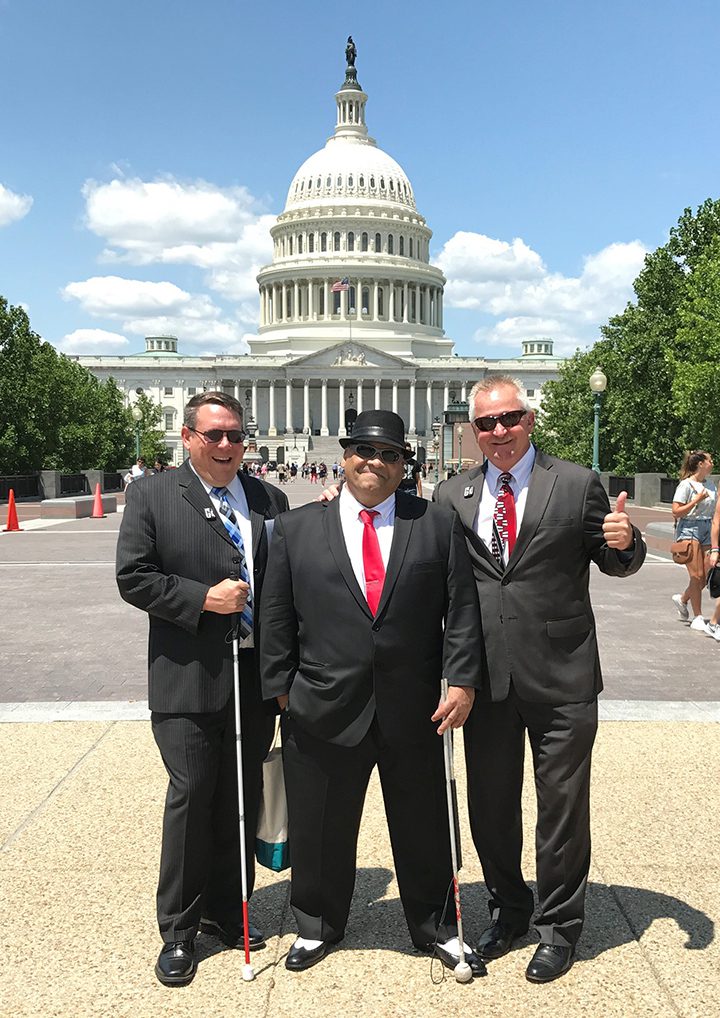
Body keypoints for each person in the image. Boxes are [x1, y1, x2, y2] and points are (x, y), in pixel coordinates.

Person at [433, 375, 646, 984]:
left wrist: (626, 544)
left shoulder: (576, 483)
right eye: (486, 423)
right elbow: (445, 586)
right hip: (486, 679)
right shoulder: (454, 494)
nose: (498, 432)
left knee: (561, 808)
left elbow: (615, 562)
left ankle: (558, 928)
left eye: (509, 419)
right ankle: (509, 908)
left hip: (562, 674)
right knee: (491, 807)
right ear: (473, 430)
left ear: (529, 419)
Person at [260, 410, 486, 975]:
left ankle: (436, 924)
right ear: (345, 455)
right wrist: (282, 688)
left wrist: (460, 680)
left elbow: (460, 610)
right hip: (321, 702)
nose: (374, 462)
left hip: (414, 706)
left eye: (388, 454)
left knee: (425, 823)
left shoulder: (434, 524)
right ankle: (315, 924)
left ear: (403, 463)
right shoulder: (295, 528)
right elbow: (276, 616)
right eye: (364, 450)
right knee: (320, 825)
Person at [116, 391, 289, 987]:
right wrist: (202, 600)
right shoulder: (153, 494)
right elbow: (133, 576)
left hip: (254, 674)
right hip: (187, 673)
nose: (225, 446)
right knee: (191, 797)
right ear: (187, 437)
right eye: (213, 435)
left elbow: (284, 585)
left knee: (239, 798)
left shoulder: (269, 499)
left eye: (235, 436)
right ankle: (179, 930)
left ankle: (228, 909)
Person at [670, 449, 717, 632]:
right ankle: (698, 616)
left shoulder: (711, 485)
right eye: (709, 460)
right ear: (700, 464)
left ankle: (682, 599)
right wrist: (696, 500)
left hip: (707, 528)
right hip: (690, 528)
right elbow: (676, 511)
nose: (712, 462)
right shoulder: (686, 485)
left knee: (705, 576)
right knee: (696, 575)